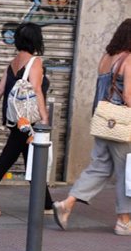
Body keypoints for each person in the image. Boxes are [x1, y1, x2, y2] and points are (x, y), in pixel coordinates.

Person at [53, 19, 131, 236]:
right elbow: (128, 96)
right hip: (122, 125)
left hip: (103, 122)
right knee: (127, 172)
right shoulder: (129, 59)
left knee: (99, 167)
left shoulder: (106, 59)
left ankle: (67, 204)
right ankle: (124, 221)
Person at [0, 22, 53, 218]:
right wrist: (44, 117)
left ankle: (46, 203)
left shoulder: (13, 62)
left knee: (32, 159)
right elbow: (37, 90)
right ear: (36, 40)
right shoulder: (35, 62)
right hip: (28, 120)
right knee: (7, 159)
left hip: (15, 119)